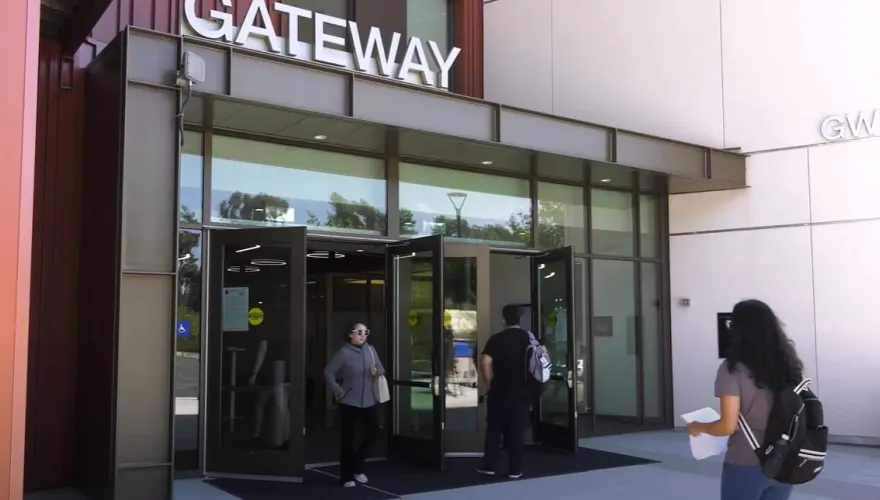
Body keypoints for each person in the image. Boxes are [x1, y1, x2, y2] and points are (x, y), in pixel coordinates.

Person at [687, 299, 804, 500]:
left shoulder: (732, 369)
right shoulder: (788, 366)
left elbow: (727, 425)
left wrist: (698, 427)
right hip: (784, 462)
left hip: (746, 462)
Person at [324, 322, 385, 488]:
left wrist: (376, 371)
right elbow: (329, 372)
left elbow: (381, 369)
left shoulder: (371, 350)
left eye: (365, 332)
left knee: (372, 435)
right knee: (347, 441)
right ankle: (346, 476)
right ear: (350, 334)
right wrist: (338, 391)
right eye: (359, 332)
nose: (363, 335)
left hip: (369, 402)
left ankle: (358, 465)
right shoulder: (344, 352)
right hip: (349, 403)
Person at [477, 304, 533, 479]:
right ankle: (515, 470)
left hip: (499, 392)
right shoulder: (529, 338)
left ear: (503, 320)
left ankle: (489, 466)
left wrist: (490, 384)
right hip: (522, 393)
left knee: (494, 430)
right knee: (517, 432)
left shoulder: (496, 339)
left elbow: (485, 362)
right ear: (520, 319)